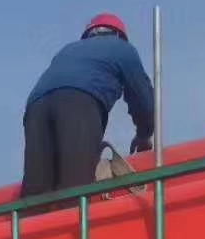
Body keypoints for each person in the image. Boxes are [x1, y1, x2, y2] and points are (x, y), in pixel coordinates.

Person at [21, 14, 155, 199]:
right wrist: (144, 134)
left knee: (36, 192)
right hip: (78, 102)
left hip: (36, 107)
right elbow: (142, 97)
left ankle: (34, 215)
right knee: (75, 187)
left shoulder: (67, 50)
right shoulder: (122, 48)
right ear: (119, 35)